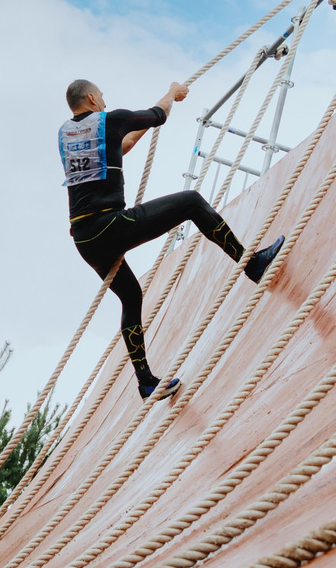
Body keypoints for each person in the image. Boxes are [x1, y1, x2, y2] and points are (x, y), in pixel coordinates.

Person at [62, 79, 284, 402]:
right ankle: (252, 265)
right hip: (110, 225)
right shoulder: (110, 120)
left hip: (85, 240)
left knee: (131, 296)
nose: (106, 103)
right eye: (103, 98)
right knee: (192, 202)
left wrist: (140, 130)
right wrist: (172, 93)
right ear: (93, 98)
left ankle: (146, 382)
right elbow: (157, 114)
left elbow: (121, 147)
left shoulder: (66, 136)